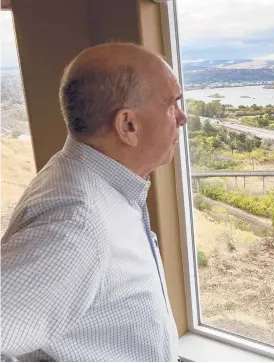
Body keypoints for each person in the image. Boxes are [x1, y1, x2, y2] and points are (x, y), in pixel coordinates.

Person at [1, 43, 187, 362]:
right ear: (128, 125)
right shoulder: (76, 225)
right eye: (171, 104)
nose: (182, 118)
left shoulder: (94, 183)